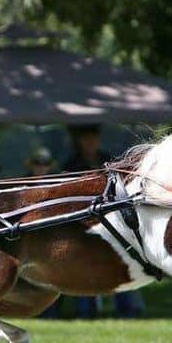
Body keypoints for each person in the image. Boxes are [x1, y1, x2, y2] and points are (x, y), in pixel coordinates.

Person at [62, 123, 145, 318]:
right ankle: (85, 311)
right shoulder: (72, 164)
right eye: (86, 140)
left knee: (122, 261)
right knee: (84, 267)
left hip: (112, 221)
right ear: (80, 142)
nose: (90, 143)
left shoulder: (106, 160)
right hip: (85, 222)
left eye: (93, 139)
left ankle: (126, 308)